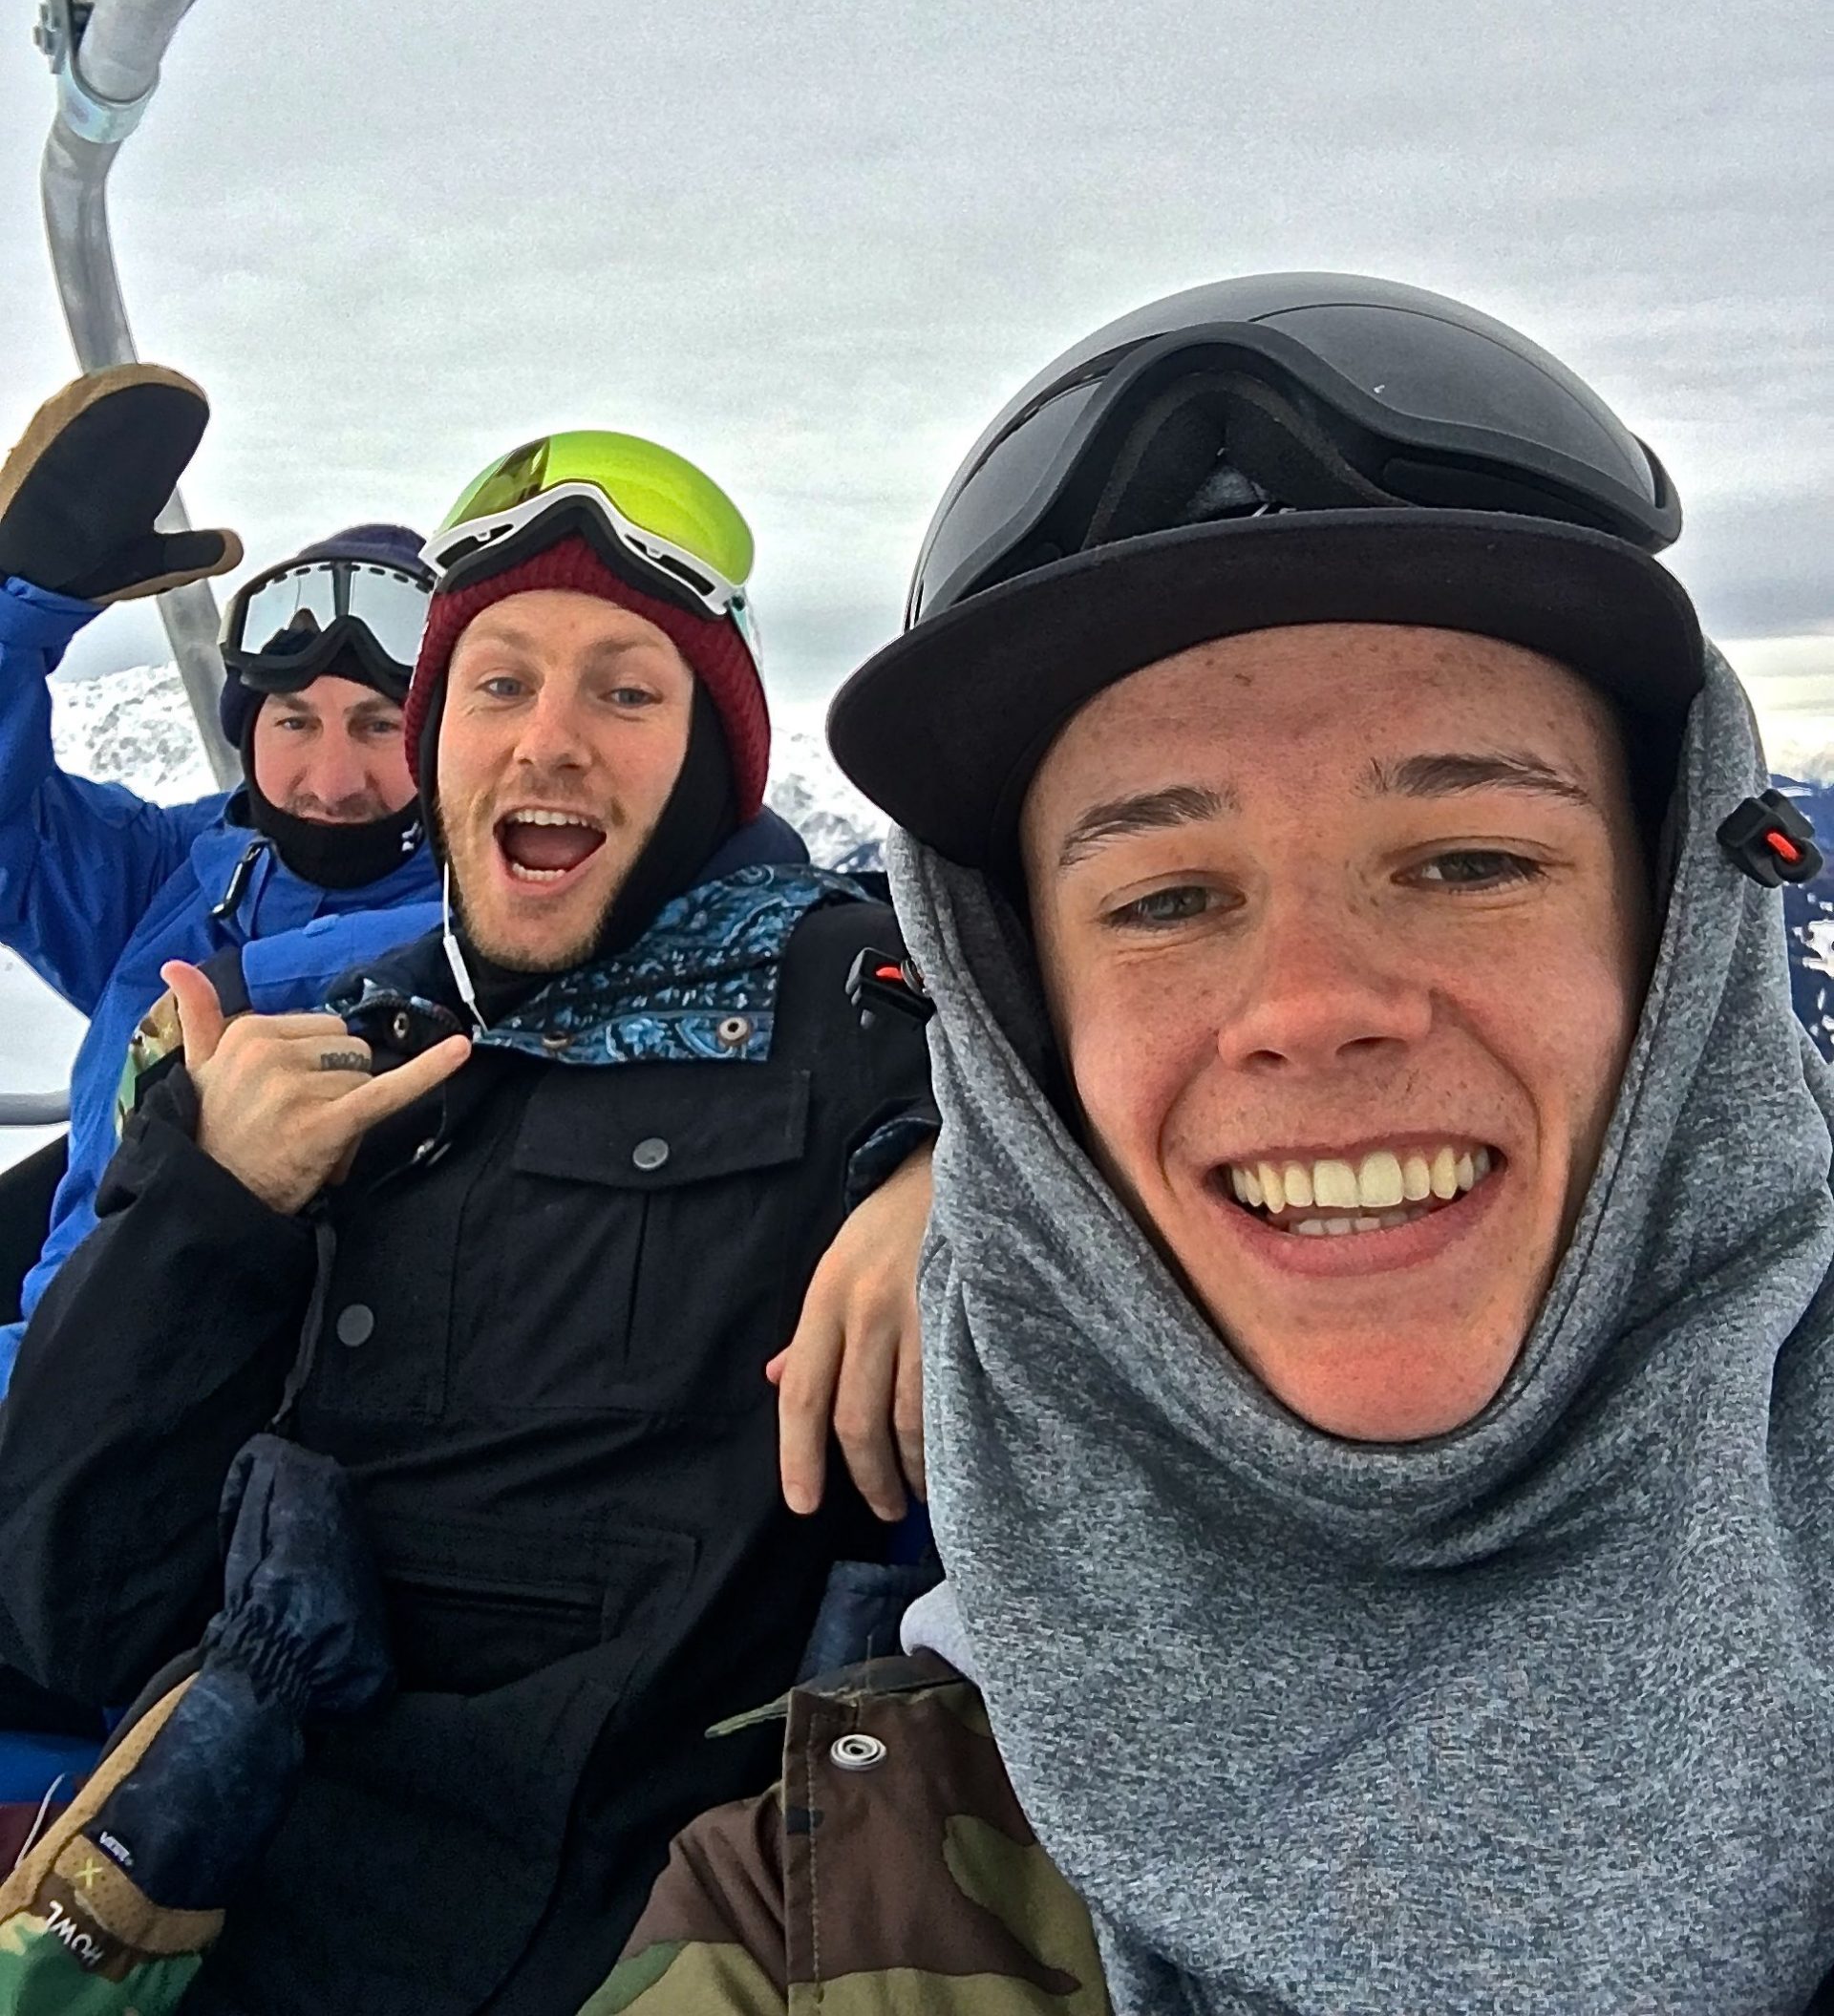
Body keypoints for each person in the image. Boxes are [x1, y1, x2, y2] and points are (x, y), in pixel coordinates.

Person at [596, 275, 1834, 2015]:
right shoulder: (811, 1928)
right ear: (1035, 1039)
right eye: (1168, 898)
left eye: (1471, 861)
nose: (1312, 1005)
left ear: (1677, 952)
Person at [0, 427, 937, 2016]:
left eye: (625, 693)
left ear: (716, 753)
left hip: (637, 1916)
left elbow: (1105, 1072)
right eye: (496, 686)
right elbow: (69, 1596)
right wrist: (202, 1210)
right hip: (244, 1885)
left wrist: (949, 1174)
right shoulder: (336, 1047)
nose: (547, 744)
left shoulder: (859, 1015)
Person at [0, 363, 443, 1393]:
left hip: (191, 1405)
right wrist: (18, 615)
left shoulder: (508, 909)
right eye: (295, 723)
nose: (333, 781)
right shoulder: (180, 871)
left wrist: (247, 992)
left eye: (380, 727)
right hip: (45, 1357)